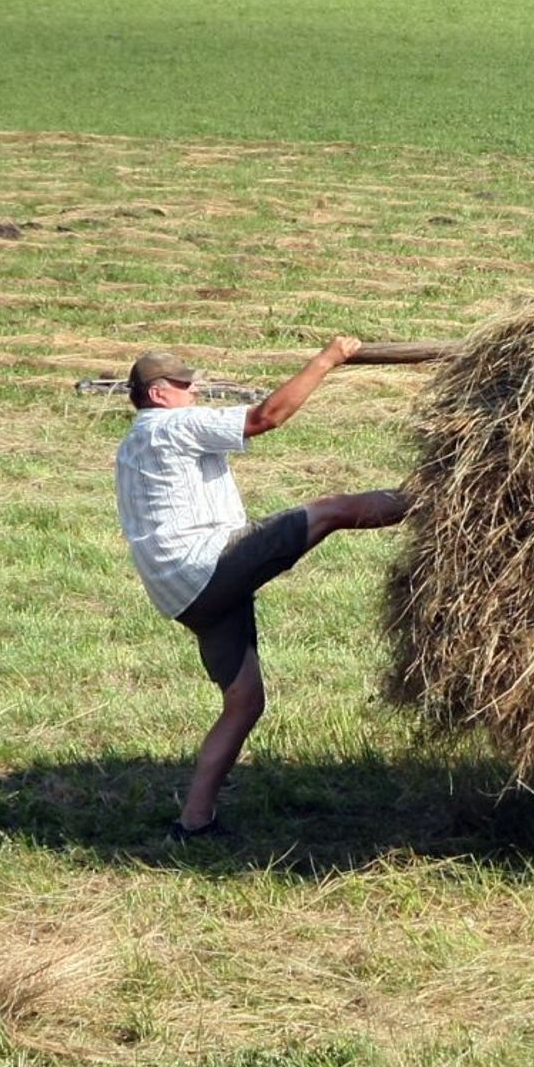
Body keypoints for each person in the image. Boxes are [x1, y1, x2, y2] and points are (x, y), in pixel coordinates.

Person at [115, 340, 409, 839]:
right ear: (159, 393)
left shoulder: (132, 444)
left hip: (184, 596)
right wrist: (327, 359)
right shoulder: (170, 426)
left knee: (244, 701)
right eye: (185, 384)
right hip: (208, 565)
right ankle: (446, 498)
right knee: (330, 510)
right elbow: (265, 418)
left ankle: (194, 822)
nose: (195, 389)